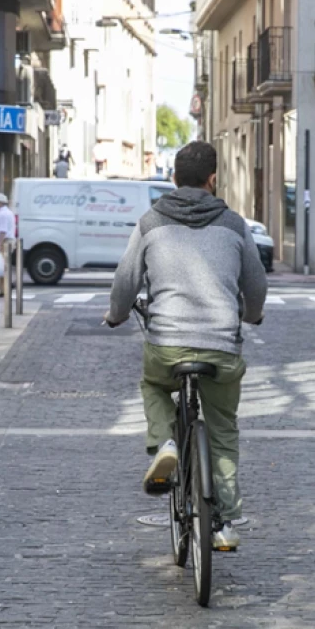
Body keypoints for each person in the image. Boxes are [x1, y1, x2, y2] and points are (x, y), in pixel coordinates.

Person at [104, 141, 267, 550]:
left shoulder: (151, 221)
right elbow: (256, 285)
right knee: (223, 429)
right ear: (213, 179)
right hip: (220, 347)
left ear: (173, 178)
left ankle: (166, 443)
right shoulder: (233, 224)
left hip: (166, 346)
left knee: (154, 386)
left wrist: (117, 314)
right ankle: (225, 522)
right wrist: (251, 315)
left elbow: (125, 283)